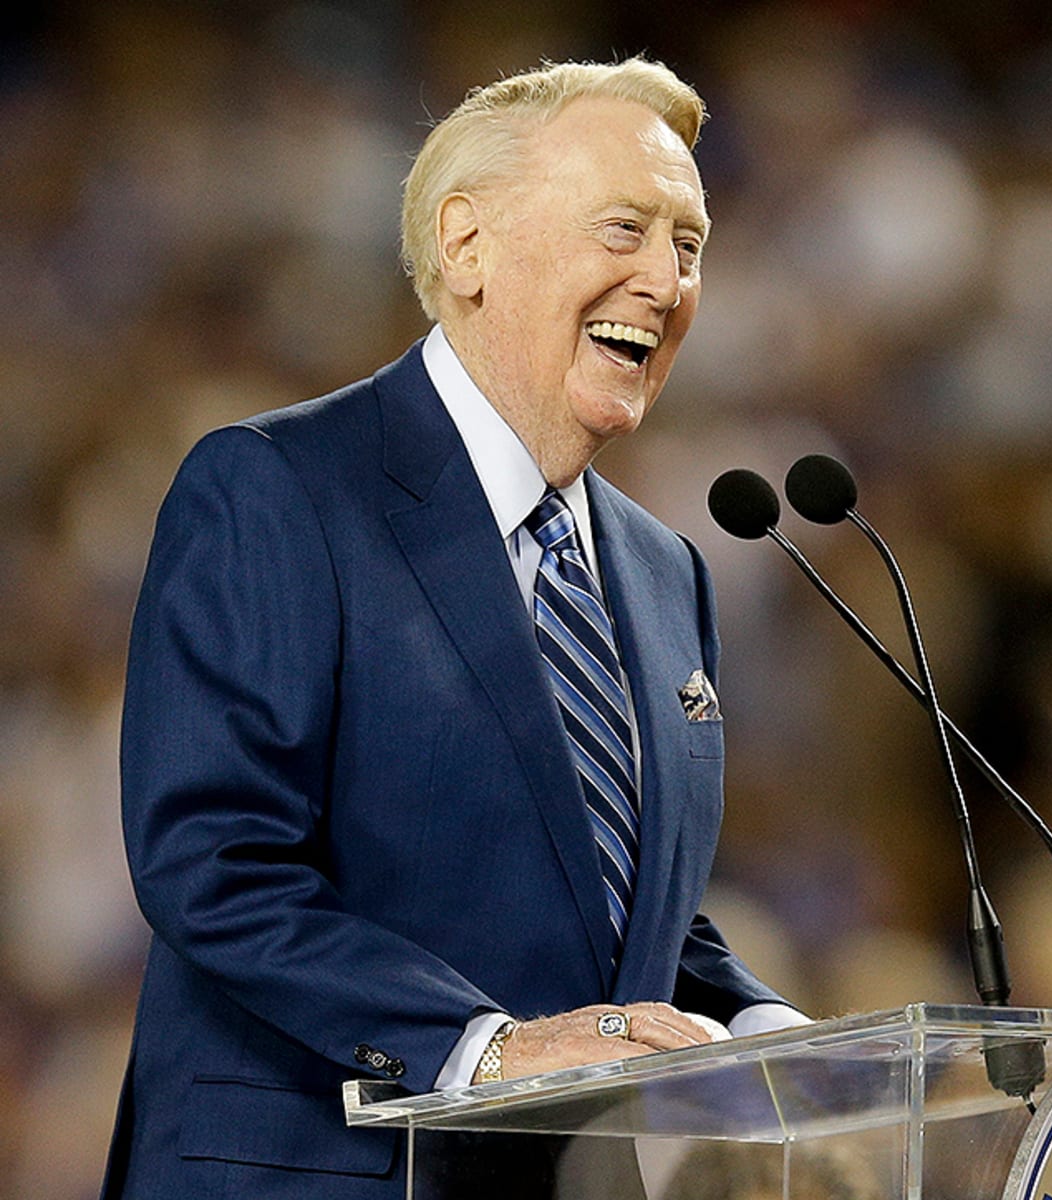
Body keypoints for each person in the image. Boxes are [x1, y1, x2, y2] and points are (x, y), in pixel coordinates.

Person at [100, 57, 807, 1199]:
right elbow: (214, 859)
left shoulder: (666, 569)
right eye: (624, 227)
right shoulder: (277, 488)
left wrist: (775, 1031)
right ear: (468, 245)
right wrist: (487, 1049)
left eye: (689, 246)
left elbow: (613, 909)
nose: (666, 280)